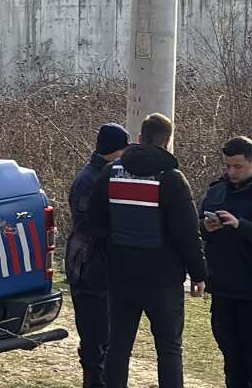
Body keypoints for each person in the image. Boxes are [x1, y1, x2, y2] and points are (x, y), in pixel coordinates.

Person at [91, 113, 207, 388]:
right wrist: (199, 274)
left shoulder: (111, 172)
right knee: (169, 349)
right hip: (163, 280)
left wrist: (116, 247)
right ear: (168, 143)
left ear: (140, 138)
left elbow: (95, 223)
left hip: (121, 275)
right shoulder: (172, 179)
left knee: (118, 346)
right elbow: (187, 234)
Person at [67, 123, 130, 388]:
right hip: (89, 270)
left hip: (102, 269)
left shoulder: (104, 174)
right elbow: (86, 225)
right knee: (94, 342)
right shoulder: (88, 181)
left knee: (107, 339)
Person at [201, 136, 252, 388]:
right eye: (228, 166)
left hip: (249, 292)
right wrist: (206, 227)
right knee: (231, 360)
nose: (231, 171)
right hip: (222, 290)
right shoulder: (216, 191)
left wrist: (240, 225)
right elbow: (195, 227)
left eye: (238, 166)